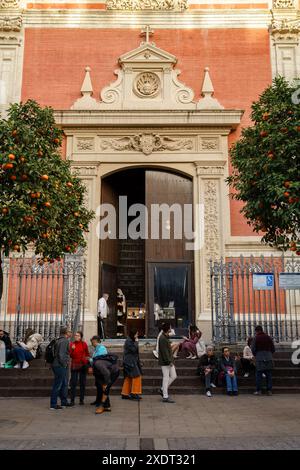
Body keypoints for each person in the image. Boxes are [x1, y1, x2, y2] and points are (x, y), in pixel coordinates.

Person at [50, 326, 73, 410]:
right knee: (58, 385)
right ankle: (53, 404)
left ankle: (64, 402)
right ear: (66, 333)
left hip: (57, 365)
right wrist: (64, 364)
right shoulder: (64, 341)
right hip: (60, 365)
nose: (71, 333)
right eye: (69, 331)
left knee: (63, 384)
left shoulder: (59, 340)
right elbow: (61, 355)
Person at [251, 325, 275, 396]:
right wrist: (269, 354)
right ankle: (269, 391)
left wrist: (256, 355)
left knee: (258, 375)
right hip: (269, 357)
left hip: (259, 358)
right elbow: (273, 349)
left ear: (256, 331)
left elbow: (253, 349)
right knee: (269, 375)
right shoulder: (268, 337)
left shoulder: (256, 338)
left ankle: (259, 391)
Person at [121, 328, 142, 400]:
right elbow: (133, 350)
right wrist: (136, 342)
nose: (137, 335)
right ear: (133, 334)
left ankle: (125, 393)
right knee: (137, 376)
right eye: (136, 334)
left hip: (130, 362)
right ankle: (134, 393)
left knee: (128, 377)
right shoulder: (129, 341)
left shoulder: (129, 340)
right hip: (130, 363)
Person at [69, 331, 90, 406]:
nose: (76, 336)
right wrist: (72, 349)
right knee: (73, 383)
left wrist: (86, 360)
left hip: (83, 365)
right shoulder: (72, 344)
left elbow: (87, 354)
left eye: (78, 335)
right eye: (75, 335)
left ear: (81, 337)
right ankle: (72, 400)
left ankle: (81, 400)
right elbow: (70, 355)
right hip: (74, 365)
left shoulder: (84, 344)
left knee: (82, 383)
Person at [158, 322, 177, 403]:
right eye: (170, 327)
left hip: (169, 360)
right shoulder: (162, 338)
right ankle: (165, 396)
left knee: (174, 376)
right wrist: (169, 361)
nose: (171, 328)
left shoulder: (165, 336)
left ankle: (162, 389)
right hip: (166, 362)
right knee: (166, 378)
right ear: (167, 329)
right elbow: (164, 351)